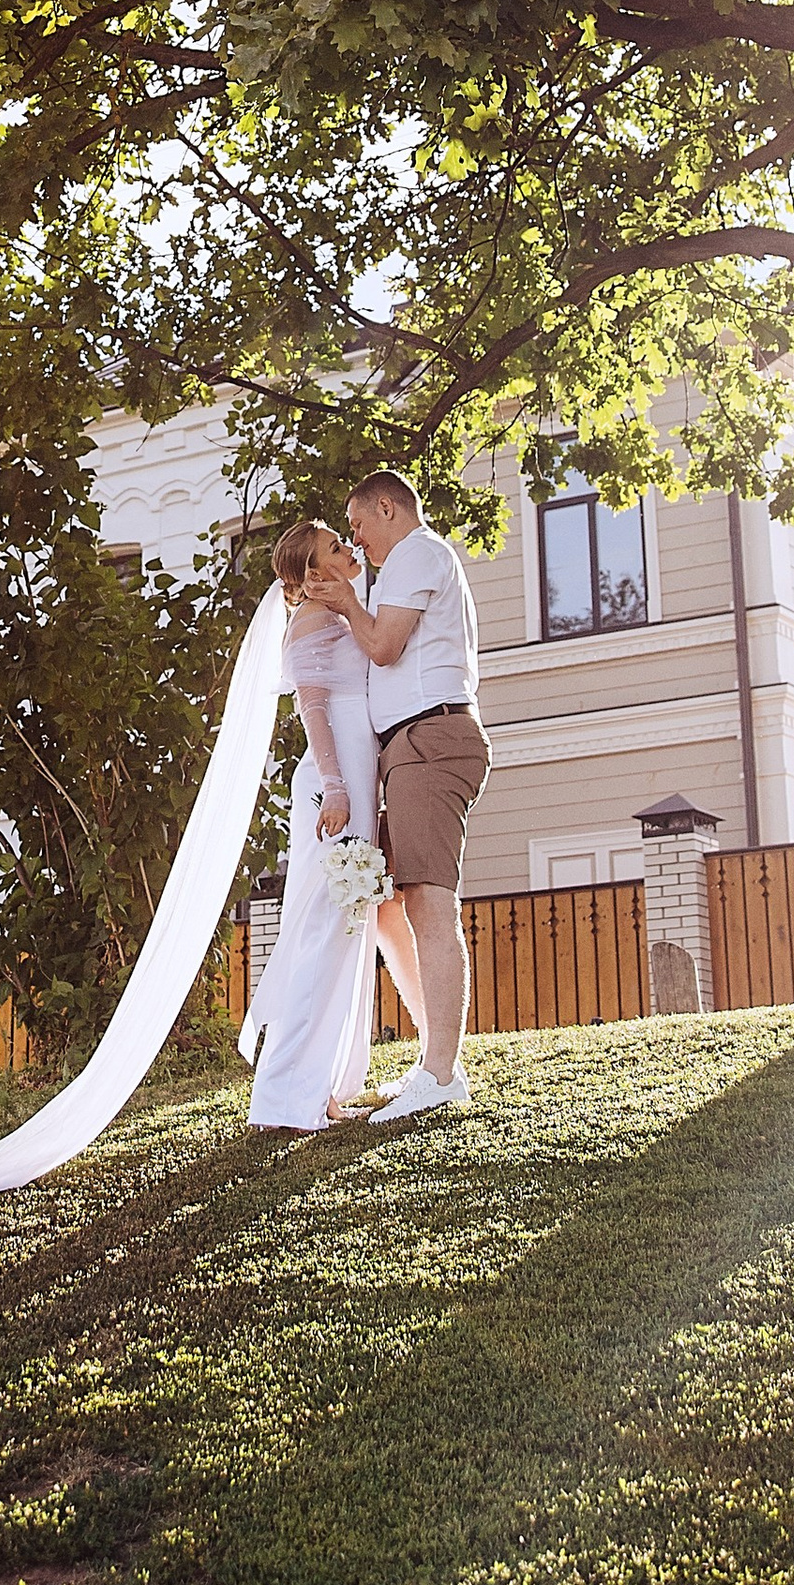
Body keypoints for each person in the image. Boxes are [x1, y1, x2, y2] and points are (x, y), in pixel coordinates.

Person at [304, 468, 490, 1120]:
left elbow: (383, 647)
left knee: (431, 905)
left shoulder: (418, 554)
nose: (356, 540)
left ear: (388, 507)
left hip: (431, 742)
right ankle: (438, 1058)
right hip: (405, 751)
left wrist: (348, 606)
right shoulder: (399, 569)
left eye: (357, 525)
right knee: (387, 907)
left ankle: (440, 1074)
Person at [240, 520, 387, 1128]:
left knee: (346, 930)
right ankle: (282, 1096)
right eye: (334, 547)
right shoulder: (310, 622)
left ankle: (323, 1089)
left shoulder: (348, 611)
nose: (348, 549)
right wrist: (336, 786)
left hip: (356, 776)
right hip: (336, 787)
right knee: (325, 933)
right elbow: (314, 709)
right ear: (310, 575)